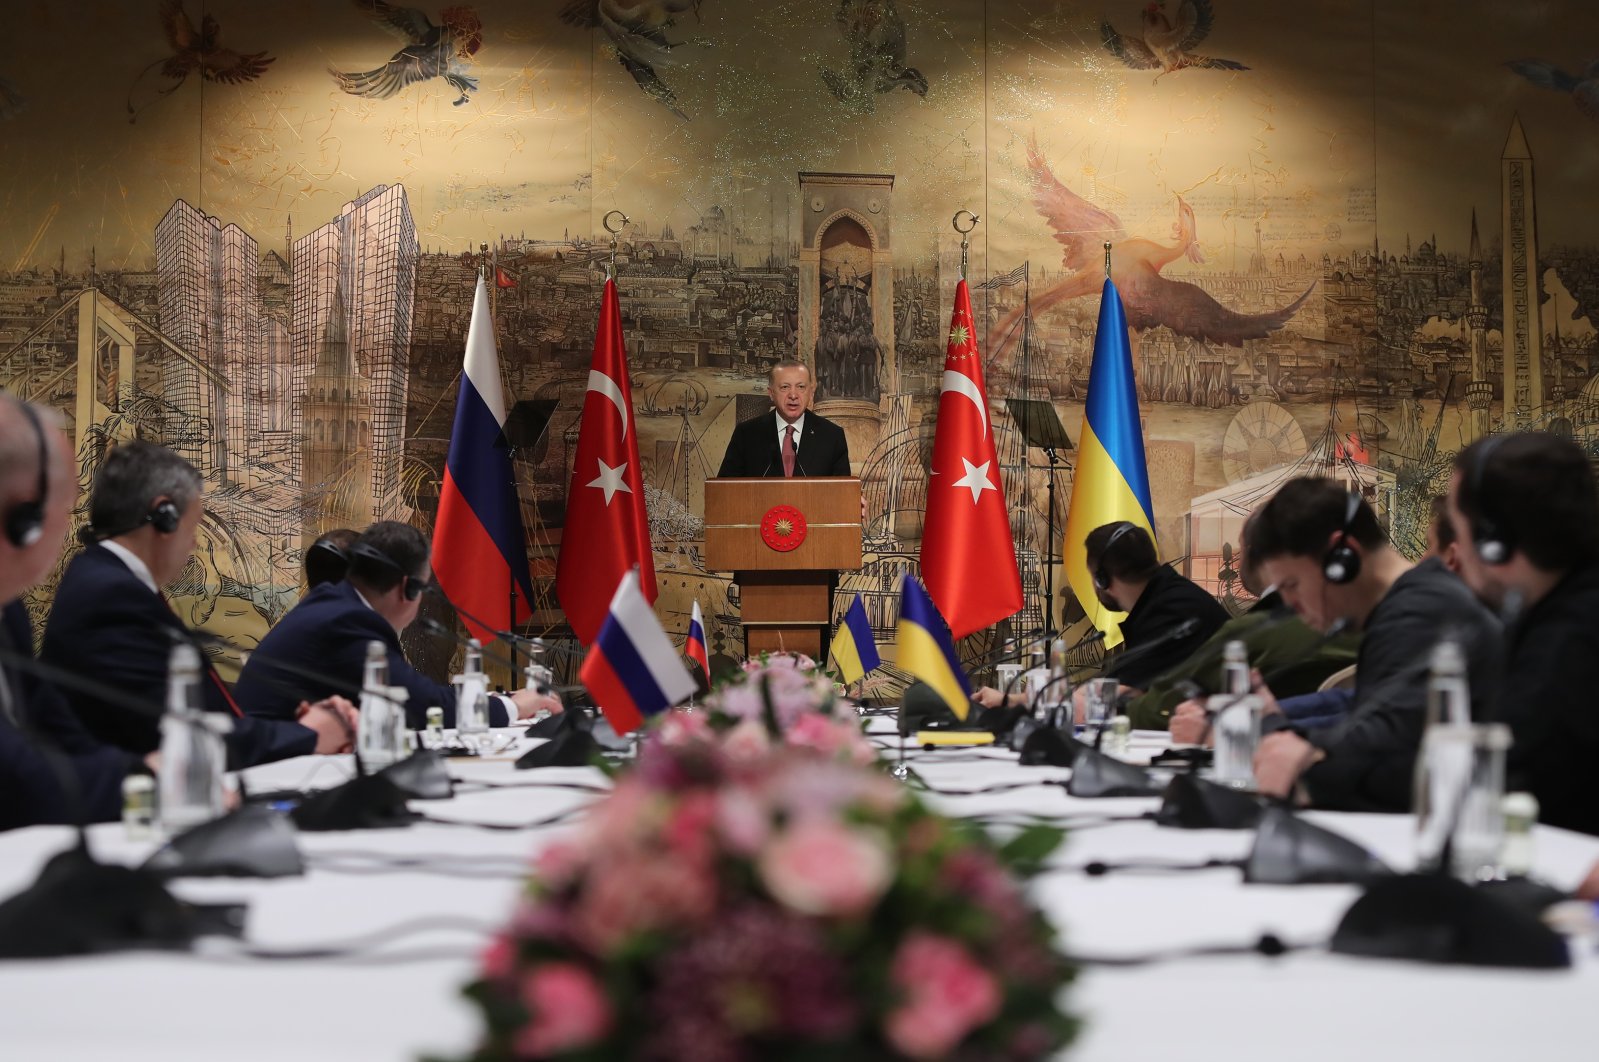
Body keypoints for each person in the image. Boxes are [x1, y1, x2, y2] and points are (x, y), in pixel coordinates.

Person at [41, 442, 355, 768]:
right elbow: (183, 735)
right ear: (164, 516)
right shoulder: (110, 598)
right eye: (192, 527)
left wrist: (290, 725)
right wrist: (309, 734)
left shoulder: (107, 580)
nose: (192, 543)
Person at [1238, 478, 1500, 811]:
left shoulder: (1422, 611)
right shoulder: (1408, 606)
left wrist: (1278, 734)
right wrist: (1273, 722)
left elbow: (1387, 752)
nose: (1292, 606)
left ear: (1342, 556)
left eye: (1292, 585)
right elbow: (1365, 714)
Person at [235, 520, 560, 728]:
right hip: (267, 768)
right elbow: (418, 704)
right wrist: (512, 706)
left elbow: (409, 693)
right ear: (410, 589)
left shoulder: (338, 606)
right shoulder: (350, 619)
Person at [0, 399, 150, 829]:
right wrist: (154, 782)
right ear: (23, 520)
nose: (70, 527)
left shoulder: (9, 615)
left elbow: (68, 741)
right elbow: (24, 787)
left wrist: (151, 777)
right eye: (66, 510)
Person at [1447, 432, 1599, 835]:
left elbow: (1496, 776)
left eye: (1458, 530)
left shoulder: (1565, 648)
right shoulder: (1557, 613)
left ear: (1492, 541)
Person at [1124, 512, 1359, 731]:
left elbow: (1160, 710)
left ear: (1257, 554)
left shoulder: (1253, 633)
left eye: (1241, 548)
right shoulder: (1369, 625)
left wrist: (1122, 703)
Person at [716, 360, 850, 478]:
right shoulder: (746, 434)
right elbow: (725, 489)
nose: (793, 395)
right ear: (771, 393)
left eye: (801, 387)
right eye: (785, 387)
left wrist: (853, 501)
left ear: (811, 392)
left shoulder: (832, 436)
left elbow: (842, 491)